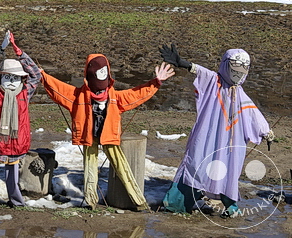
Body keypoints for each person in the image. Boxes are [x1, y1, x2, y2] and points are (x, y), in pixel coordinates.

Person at [41, 54, 175, 210]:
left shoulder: (115, 97)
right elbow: (57, 88)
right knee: (90, 168)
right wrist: (43, 76)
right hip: (89, 137)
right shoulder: (78, 96)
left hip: (108, 136)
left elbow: (136, 94)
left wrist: (156, 82)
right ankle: (91, 200)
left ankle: (138, 201)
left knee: (122, 167)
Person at [159, 44, 273, 217]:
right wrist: (182, 63)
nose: (237, 74)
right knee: (196, 166)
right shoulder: (214, 82)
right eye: (234, 69)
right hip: (207, 138)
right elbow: (199, 71)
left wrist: (266, 132)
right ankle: (176, 204)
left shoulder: (241, 96)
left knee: (226, 172)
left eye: (242, 70)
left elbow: (253, 115)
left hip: (230, 145)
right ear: (226, 65)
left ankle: (231, 207)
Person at [0, 30, 41, 206]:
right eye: (7, 77)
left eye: (16, 78)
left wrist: (18, 52)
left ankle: (16, 199)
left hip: (18, 142)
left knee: (13, 171)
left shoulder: (25, 93)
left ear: (22, 80)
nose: (12, 81)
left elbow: (36, 74)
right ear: (2, 78)